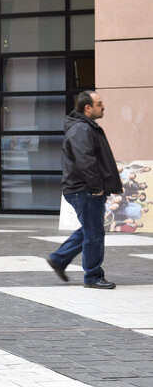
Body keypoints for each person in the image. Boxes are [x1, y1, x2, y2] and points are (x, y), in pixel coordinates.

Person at [47, 91, 122, 289]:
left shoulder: (84, 126)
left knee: (90, 229)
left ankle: (58, 259)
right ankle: (93, 277)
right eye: (99, 103)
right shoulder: (81, 128)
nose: (102, 106)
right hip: (85, 189)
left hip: (84, 188)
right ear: (87, 108)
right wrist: (96, 188)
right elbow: (85, 160)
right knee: (94, 234)